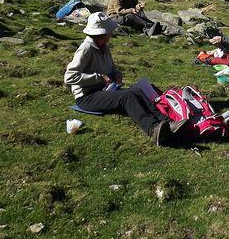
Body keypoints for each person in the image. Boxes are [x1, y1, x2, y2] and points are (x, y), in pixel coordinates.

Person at [64, 12, 188, 146]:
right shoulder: (86, 49)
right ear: (101, 34)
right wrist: (98, 78)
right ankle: (153, 129)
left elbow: (111, 69)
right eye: (109, 32)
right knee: (127, 97)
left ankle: (168, 123)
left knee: (137, 91)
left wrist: (116, 74)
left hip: (104, 90)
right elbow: (69, 77)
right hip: (87, 97)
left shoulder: (104, 47)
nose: (111, 34)